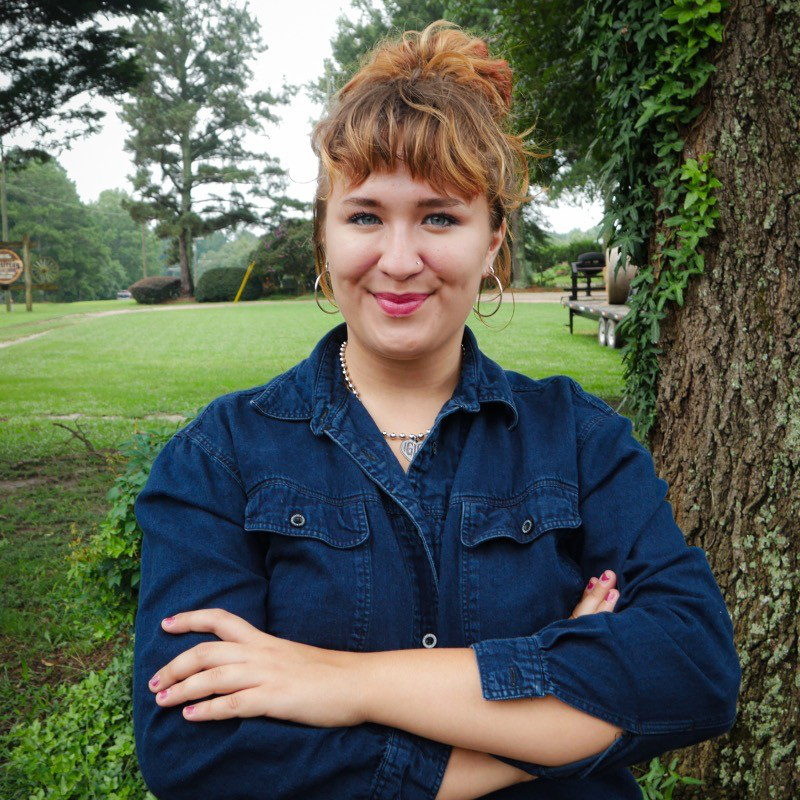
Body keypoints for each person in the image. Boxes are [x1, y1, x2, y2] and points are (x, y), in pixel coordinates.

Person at [132, 20, 741, 800]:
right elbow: (194, 752)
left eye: (440, 217)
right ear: (324, 236)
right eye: (364, 216)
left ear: (494, 243)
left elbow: (692, 669)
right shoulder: (219, 456)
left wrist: (343, 682)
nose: (397, 258)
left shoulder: (581, 440)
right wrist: (538, 731)